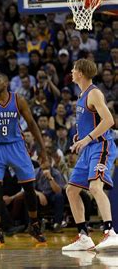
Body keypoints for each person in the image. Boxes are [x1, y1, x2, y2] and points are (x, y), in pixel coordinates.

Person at [0, 73, 48, 245]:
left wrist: (42, 148)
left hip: (16, 146)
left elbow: (32, 124)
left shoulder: (18, 100)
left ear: (6, 83)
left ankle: (34, 225)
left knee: (29, 186)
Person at [62, 59, 118, 251]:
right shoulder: (81, 95)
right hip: (87, 149)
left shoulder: (94, 93)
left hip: (100, 146)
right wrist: (81, 136)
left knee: (95, 187)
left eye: (74, 69)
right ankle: (84, 236)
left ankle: (110, 232)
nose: (71, 71)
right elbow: (91, 122)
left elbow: (109, 120)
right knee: (71, 190)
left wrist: (86, 138)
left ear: (81, 73)